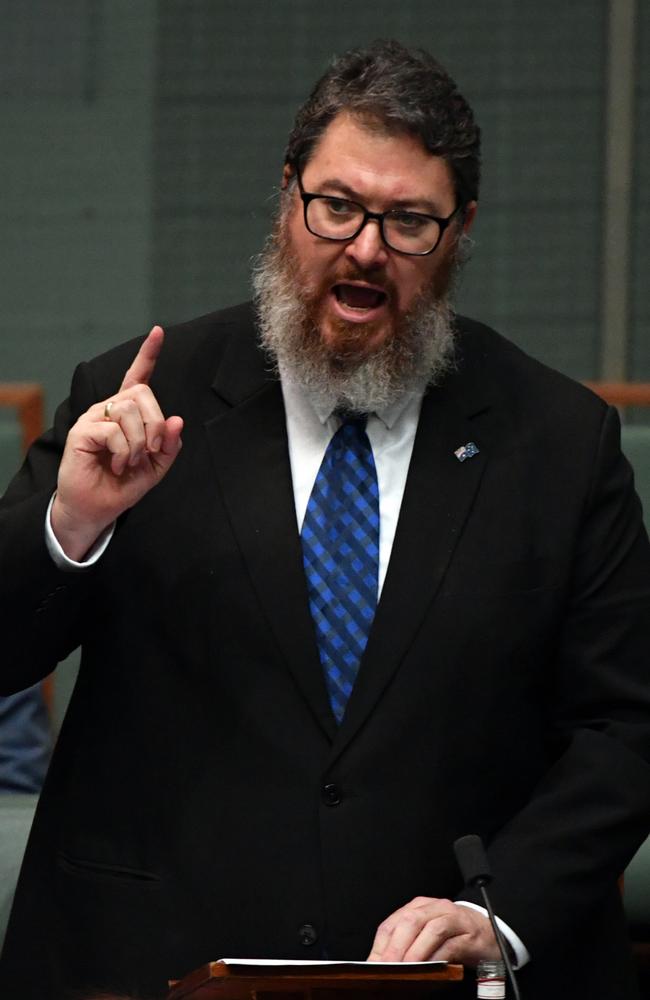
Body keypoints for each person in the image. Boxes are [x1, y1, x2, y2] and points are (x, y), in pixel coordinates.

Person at [1, 39, 649, 1000]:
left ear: (461, 229)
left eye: (409, 222)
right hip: (149, 965)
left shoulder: (558, 443)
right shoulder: (140, 395)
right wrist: (73, 523)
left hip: (429, 980)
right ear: (287, 196)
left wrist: (498, 911)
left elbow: (624, 728)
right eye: (337, 206)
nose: (366, 249)